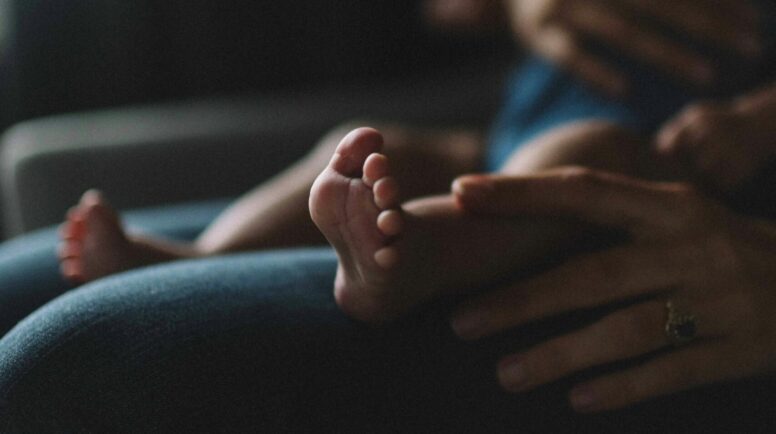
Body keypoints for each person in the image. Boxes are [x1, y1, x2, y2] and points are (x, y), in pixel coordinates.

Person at [1, 0, 776, 430]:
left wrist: (754, 123)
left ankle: (407, 262)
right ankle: (196, 257)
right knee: (376, 151)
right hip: (507, 127)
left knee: (576, 168)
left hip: (666, 166)